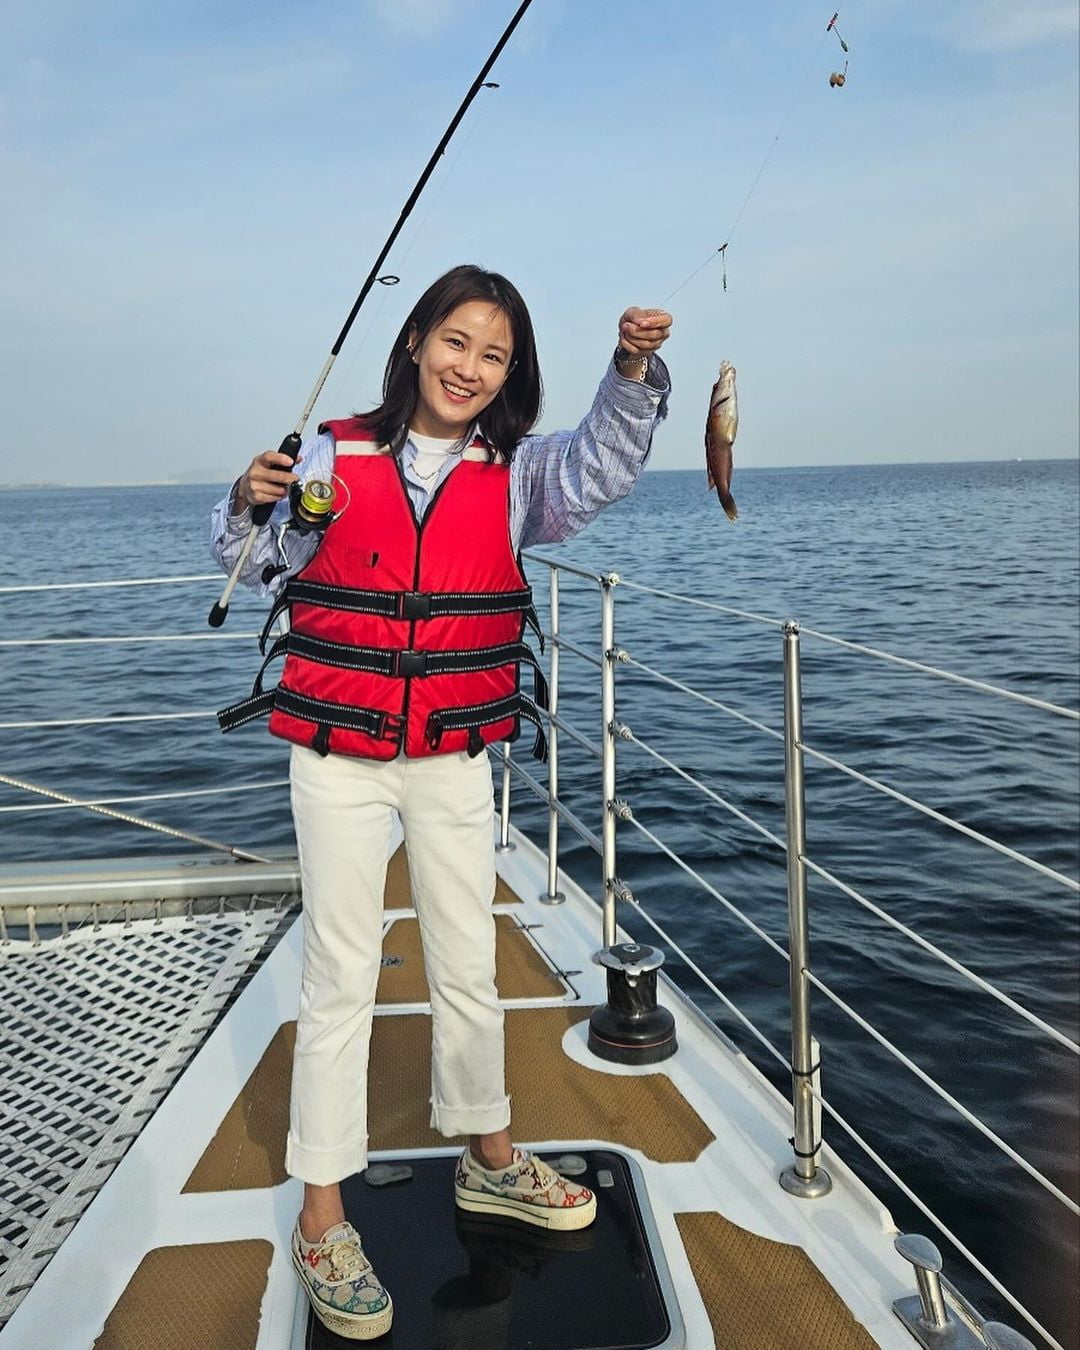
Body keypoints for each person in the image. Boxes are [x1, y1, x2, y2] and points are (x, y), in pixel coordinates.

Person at [210, 264, 672, 1340]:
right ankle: (322, 1209)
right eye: (456, 341)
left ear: (512, 375)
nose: (470, 367)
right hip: (338, 751)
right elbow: (252, 559)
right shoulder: (333, 453)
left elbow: (603, 465)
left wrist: (634, 369)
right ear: (416, 342)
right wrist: (247, 499)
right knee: (341, 969)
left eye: (495, 354)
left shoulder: (519, 473)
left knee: (470, 960)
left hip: (455, 751)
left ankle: (490, 1154)